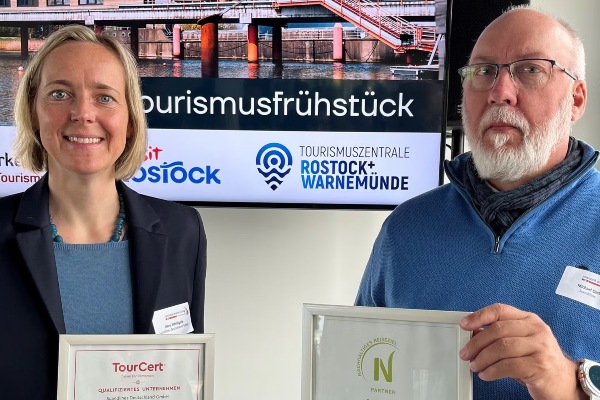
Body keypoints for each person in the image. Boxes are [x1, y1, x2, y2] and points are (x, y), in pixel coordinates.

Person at [356, 7, 599, 400]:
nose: (499, 92)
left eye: (530, 69)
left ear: (576, 99)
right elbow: (357, 374)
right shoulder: (404, 228)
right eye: (484, 71)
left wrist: (570, 385)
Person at [0, 25, 207, 399]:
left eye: (105, 97)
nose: (82, 113)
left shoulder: (182, 231)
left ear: (130, 120)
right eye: (60, 94)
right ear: (33, 112)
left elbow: (185, 374)